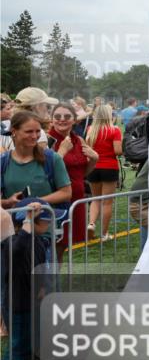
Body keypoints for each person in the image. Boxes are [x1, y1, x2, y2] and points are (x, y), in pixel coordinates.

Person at [0, 202, 52, 360]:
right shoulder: (14, 244)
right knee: (20, 341)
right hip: (18, 303)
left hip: (28, 301)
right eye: (46, 220)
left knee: (23, 339)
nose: (51, 224)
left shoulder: (37, 241)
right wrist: (29, 220)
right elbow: (19, 249)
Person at [47, 102, 99, 255]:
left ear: (75, 120)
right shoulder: (47, 141)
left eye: (67, 116)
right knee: (52, 246)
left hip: (77, 200)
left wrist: (94, 160)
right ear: (51, 120)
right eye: (57, 116)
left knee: (63, 247)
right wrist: (61, 153)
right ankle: (47, 279)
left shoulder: (78, 140)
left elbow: (82, 173)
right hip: (57, 201)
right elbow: (44, 174)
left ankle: (55, 279)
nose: (62, 119)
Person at [0, 111, 72, 212]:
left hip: (45, 224)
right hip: (13, 224)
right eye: (29, 131)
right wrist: (8, 202)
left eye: (38, 131)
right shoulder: (3, 162)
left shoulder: (52, 158)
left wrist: (37, 202)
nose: (34, 136)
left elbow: (66, 193)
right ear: (14, 131)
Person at [84, 104, 122, 242]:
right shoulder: (114, 130)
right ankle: (104, 234)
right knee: (107, 202)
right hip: (109, 167)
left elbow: (87, 150)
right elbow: (118, 151)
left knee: (95, 199)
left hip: (93, 167)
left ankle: (91, 223)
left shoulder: (90, 130)